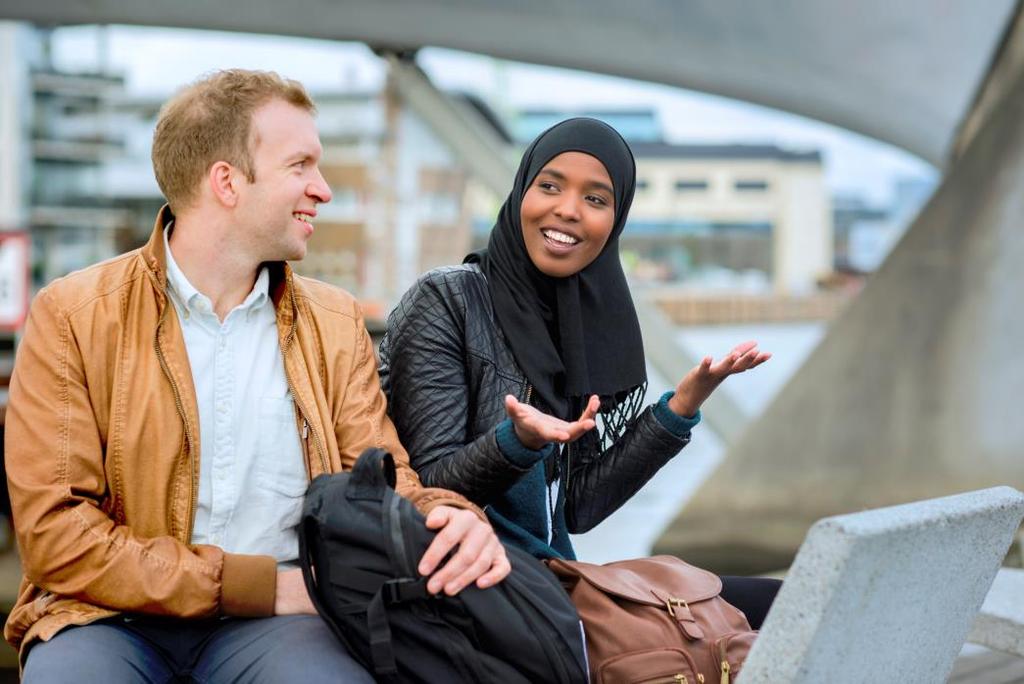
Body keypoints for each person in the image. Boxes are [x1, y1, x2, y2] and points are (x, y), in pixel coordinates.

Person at [4, 69, 509, 682]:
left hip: (284, 629)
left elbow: (383, 481)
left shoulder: (335, 321)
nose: (322, 190)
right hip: (104, 619)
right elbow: (58, 536)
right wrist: (260, 587)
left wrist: (453, 517)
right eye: (301, 166)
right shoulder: (73, 316)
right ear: (226, 182)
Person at [379, 117, 779, 628]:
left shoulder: (579, 322)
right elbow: (428, 490)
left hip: (551, 577)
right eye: (549, 186)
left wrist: (680, 407)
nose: (567, 210)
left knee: (784, 603)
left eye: (595, 199)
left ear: (616, 220)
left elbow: (578, 510)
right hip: (467, 588)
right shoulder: (447, 299)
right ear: (521, 190)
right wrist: (516, 441)